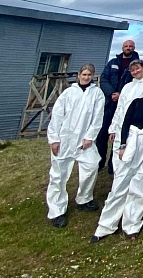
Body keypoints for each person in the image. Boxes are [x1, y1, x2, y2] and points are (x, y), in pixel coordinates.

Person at [91, 74, 143, 242]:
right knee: (120, 184)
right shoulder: (136, 103)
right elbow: (125, 124)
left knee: (142, 185)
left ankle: (132, 224)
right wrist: (123, 144)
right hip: (132, 143)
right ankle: (105, 225)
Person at [45, 63, 105, 228]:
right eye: (84, 74)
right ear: (79, 75)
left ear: (92, 76)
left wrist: (89, 137)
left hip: (85, 141)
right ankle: (57, 211)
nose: (86, 77)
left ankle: (84, 198)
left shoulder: (97, 93)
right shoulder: (68, 92)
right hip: (65, 139)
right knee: (58, 176)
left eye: (89, 75)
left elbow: (98, 116)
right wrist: (54, 139)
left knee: (92, 165)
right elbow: (57, 116)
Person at [96, 39, 140, 168]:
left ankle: (113, 164)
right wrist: (111, 93)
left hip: (125, 104)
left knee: (120, 133)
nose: (128, 48)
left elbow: (135, 83)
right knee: (103, 133)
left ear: (134, 48)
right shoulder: (113, 63)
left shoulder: (136, 65)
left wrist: (121, 94)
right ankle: (99, 162)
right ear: (122, 47)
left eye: (130, 46)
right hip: (110, 103)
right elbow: (104, 79)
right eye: (126, 46)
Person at [107, 59, 143, 172]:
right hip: (121, 127)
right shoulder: (127, 87)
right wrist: (113, 128)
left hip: (136, 128)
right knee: (118, 156)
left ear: (142, 67)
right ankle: (117, 184)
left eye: (137, 68)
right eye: (132, 70)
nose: (135, 72)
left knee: (132, 157)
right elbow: (120, 108)